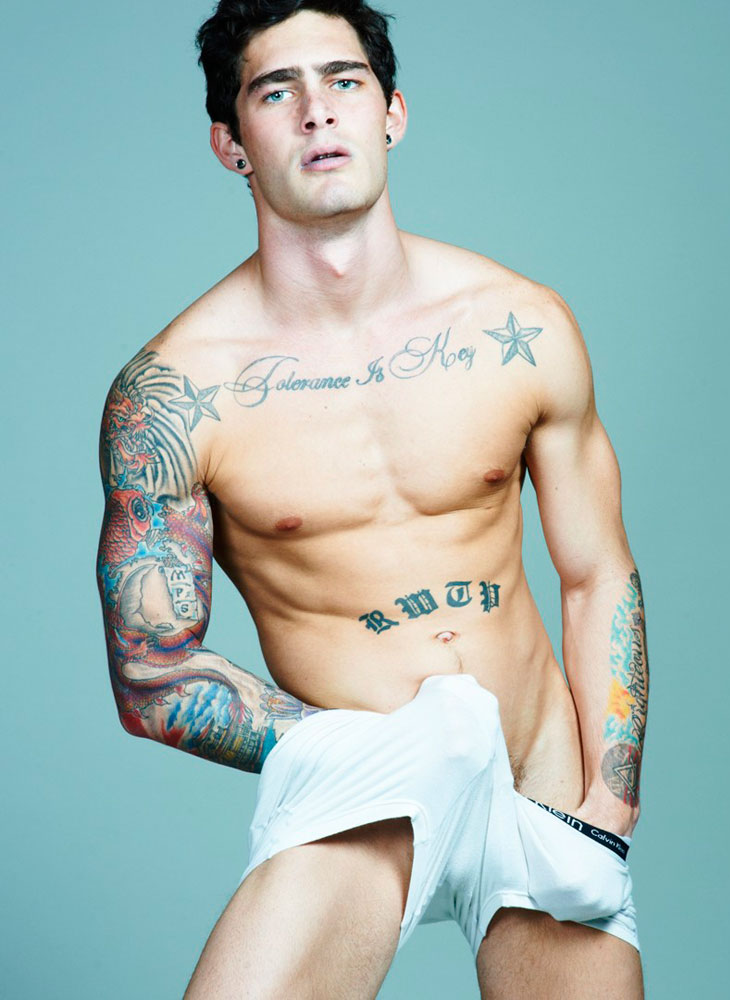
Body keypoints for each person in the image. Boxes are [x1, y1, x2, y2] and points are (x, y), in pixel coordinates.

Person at [96, 1, 650, 996]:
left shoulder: (518, 325)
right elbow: (149, 673)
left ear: (391, 112)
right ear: (230, 143)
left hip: (543, 778)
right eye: (277, 91)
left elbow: (595, 571)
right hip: (365, 785)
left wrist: (608, 798)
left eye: (343, 80)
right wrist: (349, 747)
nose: (317, 110)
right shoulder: (175, 396)